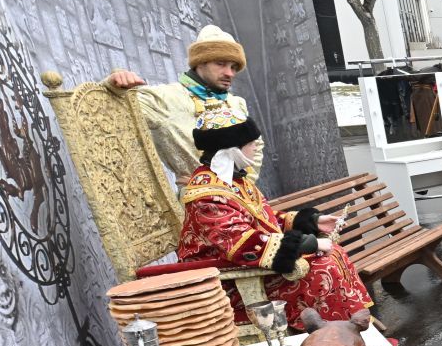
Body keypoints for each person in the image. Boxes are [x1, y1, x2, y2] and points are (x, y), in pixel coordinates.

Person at [176, 102, 373, 325]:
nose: (257, 147)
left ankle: (350, 328)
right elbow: (242, 245)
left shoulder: (233, 180)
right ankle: (332, 335)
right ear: (232, 149)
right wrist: (309, 244)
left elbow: (264, 218)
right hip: (228, 280)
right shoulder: (207, 195)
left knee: (334, 253)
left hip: (249, 265)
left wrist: (310, 221)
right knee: (324, 268)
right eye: (251, 143)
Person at [106, 24, 263, 189]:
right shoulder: (166, 99)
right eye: (220, 63)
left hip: (243, 198)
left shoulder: (236, 103)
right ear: (200, 62)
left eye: (233, 67)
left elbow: (256, 148)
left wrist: (240, 187)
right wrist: (115, 83)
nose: (229, 73)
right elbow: (114, 106)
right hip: (196, 204)